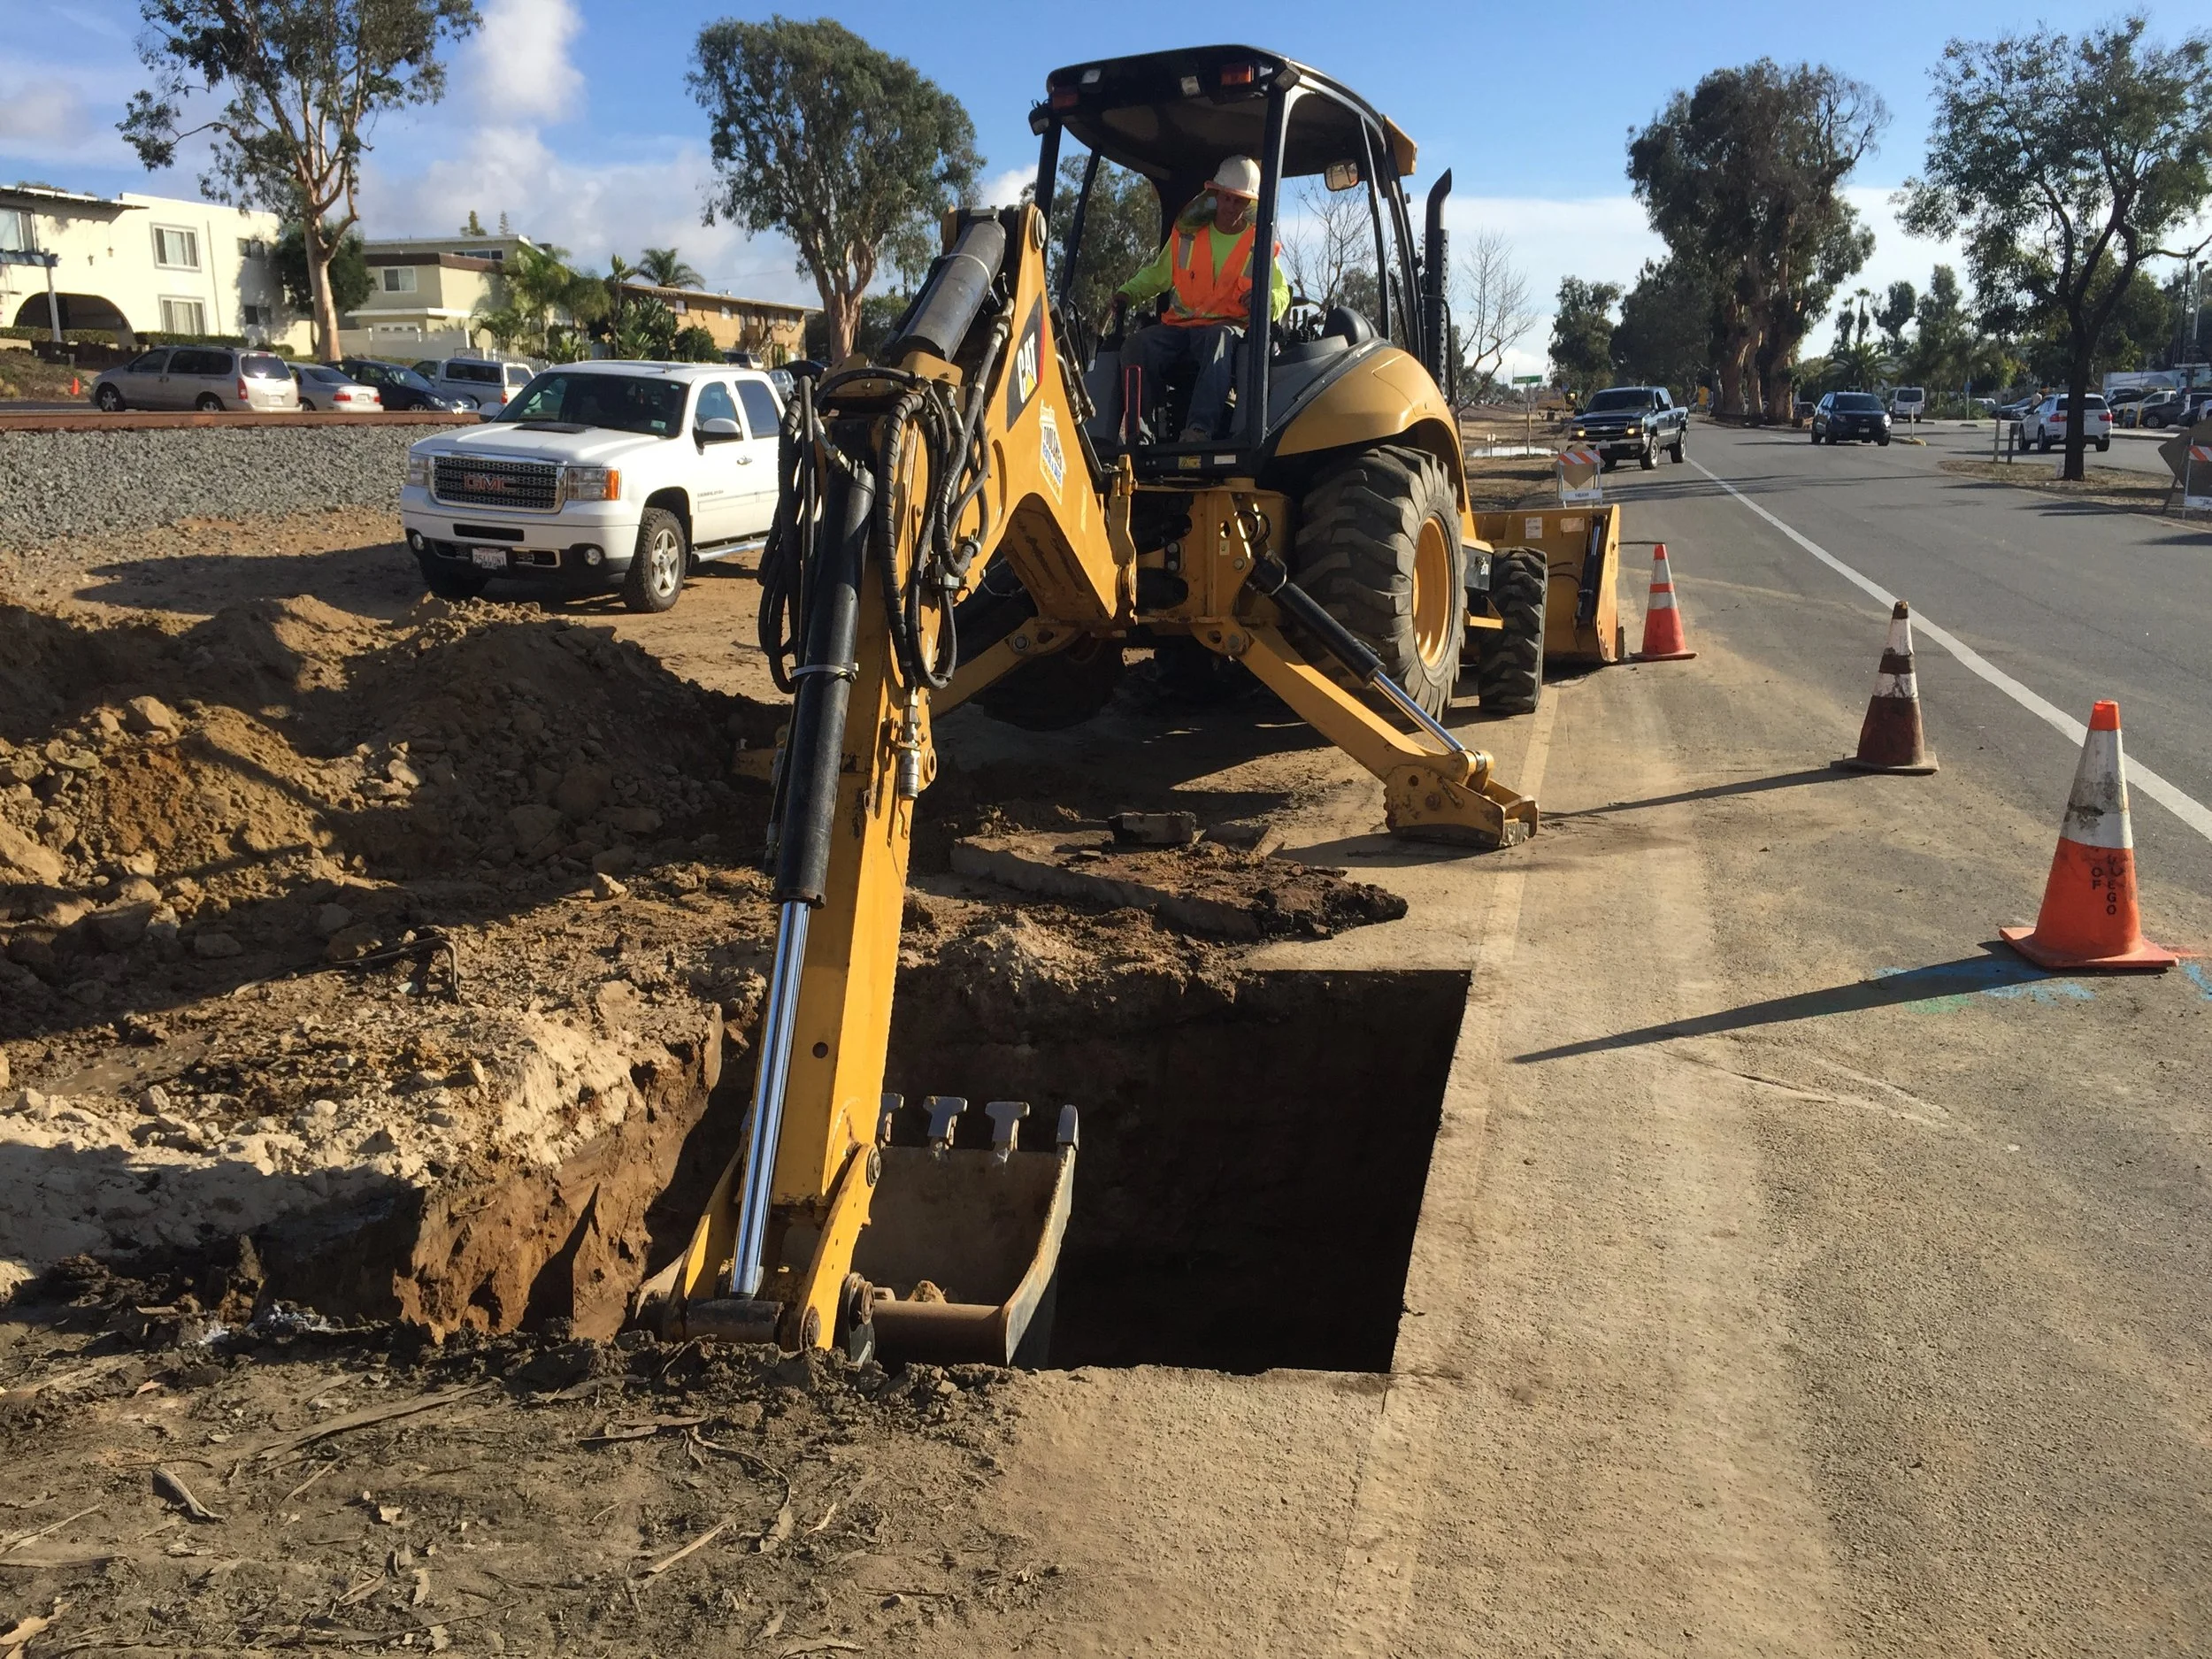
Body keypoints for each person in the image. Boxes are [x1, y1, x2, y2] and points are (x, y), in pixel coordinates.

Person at [1111, 157, 1289, 441]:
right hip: (1180, 329)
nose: (1231, 206)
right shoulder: (1188, 236)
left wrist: (1265, 300)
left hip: (1228, 331)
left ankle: (1198, 430)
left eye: (1239, 201)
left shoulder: (1259, 243)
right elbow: (1158, 275)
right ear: (1216, 194)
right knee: (1137, 345)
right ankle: (1138, 435)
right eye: (1227, 198)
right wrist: (1128, 292)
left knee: (1219, 337)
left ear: (1249, 204)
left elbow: (1281, 292)